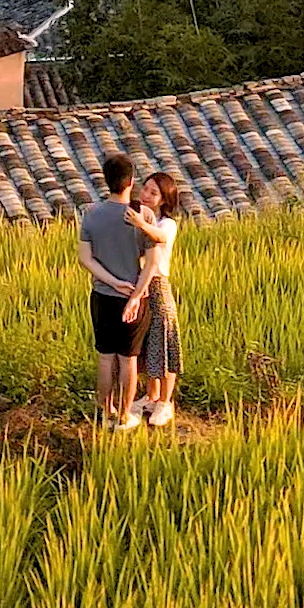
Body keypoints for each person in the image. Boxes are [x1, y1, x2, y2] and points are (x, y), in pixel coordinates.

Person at [78, 151, 148, 430]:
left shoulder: (91, 215)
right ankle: (124, 416)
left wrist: (110, 281)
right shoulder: (142, 215)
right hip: (134, 297)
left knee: (105, 358)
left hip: (102, 296)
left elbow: (85, 259)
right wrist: (128, 289)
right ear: (131, 182)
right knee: (128, 360)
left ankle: (105, 411)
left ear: (106, 181)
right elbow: (152, 260)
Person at [123, 172, 181, 428]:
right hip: (139, 285)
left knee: (165, 343)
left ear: (164, 200)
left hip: (158, 286)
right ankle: (151, 395)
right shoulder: (140, 218)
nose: (145, 195)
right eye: (145, 189)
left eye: (153, 193)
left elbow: (160, 238)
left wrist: (141, 224)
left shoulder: (166, 223)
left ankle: (165, 402)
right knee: (146, 344)